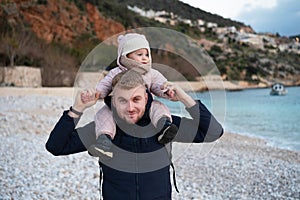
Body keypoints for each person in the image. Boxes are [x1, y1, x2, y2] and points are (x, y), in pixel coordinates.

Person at [46, 70, 224, 200]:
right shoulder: (104, 130)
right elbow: (56, 146)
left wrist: (185, 98)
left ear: (146, 98)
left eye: (136, 99)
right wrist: (77, 109)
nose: (130, 108)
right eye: (122, 100)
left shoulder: (163, 125)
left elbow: (213, 132)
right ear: (112, 101)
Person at [84, 33, 178, 158]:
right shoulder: (115, 72)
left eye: (146, 54)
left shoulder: (151, 73)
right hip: (117, 108)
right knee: (103, 114)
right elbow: (105, 85)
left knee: (159, 106)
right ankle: (104, 141)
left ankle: (164, 126)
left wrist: (166, 91)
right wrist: (97, 93)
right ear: (125, 56)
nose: (145, 58)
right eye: (139, 55)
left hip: (145, 108)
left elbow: (159, 85)